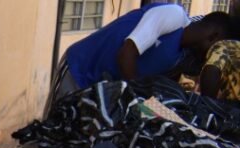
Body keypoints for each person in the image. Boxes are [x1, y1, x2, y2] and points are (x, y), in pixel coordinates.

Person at [46, 6, 234, 114]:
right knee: (52, 128)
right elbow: (126, 54)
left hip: (101, 88)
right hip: (79, 68)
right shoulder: (174, 15)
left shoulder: (179, 59)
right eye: (215, 50)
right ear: (213, 36)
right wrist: (139, 101)